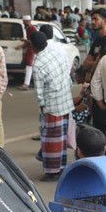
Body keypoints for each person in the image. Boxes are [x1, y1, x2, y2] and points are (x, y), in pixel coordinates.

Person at [30, 31, 73, 181]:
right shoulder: (56, 53)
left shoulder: (38, 63)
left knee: (51, 139)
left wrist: (42, 106)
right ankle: (60, 166)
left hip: (52, 105)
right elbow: (67, 75)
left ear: (33, 46)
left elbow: (39, 92)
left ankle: (52, 171)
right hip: (65, 100)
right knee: (61, 137)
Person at [18, 16, 39, 90]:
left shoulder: (33, 29)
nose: (23, 23)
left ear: (27, 21)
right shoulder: (29, 29)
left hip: (32, 51)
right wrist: (21, 45)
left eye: (24, 22)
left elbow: (33, 41)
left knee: (29, 67)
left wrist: (24, 40)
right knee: (32, 68)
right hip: (30, 50)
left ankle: (26, 84)